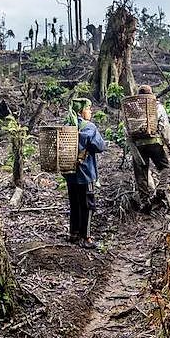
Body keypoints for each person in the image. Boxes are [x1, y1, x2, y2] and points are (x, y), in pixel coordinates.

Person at [63, 97, 107, 248]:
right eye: (88, 108)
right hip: (85, 173)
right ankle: (86, 237)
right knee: (88, 205)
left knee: (74, 203)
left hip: (70, 173)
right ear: (81, 111)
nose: (90, 111)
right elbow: (100, 146)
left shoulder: (67, 125)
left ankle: (73, 233)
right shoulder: (89, 127)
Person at [128, 85, 170, 213]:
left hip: (138, 145)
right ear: (151, 94)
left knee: (141, 174)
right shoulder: (157, 107)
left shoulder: (133, 109)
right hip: (155, 143)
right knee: (164, 166)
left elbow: (127, 129)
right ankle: (161, 187)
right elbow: (164, 126)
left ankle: (144, 201)